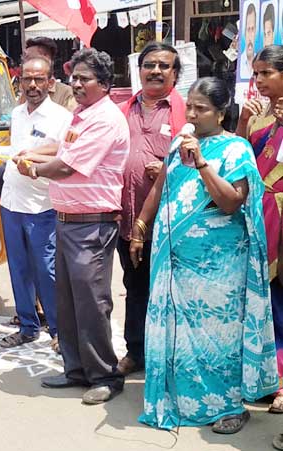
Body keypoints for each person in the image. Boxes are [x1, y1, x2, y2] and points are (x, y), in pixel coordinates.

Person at [130, 77, 278, 433]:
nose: (193, 115)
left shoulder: (236, 149)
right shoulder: (177, 146)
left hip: (221, 266)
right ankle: (184, 398)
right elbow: (160, 188)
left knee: (218, 335)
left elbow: (231, 202)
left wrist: (200, 162)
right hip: (178, 262)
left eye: (202, 108)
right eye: (190, 107)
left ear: (222, 112)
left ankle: (228, 405)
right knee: (183, 332)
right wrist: (140, 225)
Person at [17, 48, 129, 405]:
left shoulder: (105, 119)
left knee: (92, 303)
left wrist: (33, 168)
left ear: (105, 84)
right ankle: (76, 369)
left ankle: (105, 376)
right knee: (67, 301)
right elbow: (61, 148)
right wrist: (32, 153)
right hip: (67, 220)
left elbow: (68, 166)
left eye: (85, 79)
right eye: (74, 78)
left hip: (91, 224)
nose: (76, 84)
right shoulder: (82, 114)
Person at [0, 56, 72, 350]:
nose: (32, 85)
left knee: (46, 269)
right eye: (27, 78)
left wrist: (35, 159)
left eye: (39, 79)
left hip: (41, 205)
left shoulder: (60, 118)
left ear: (50, 83)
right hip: (12, 201)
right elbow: (16, 152)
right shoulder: (17, 114)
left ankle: (58, 331)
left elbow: (63, 157)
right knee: (18, 269)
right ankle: (28, 326)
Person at [114, 42, 187, 376]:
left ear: (175, 73)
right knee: (135, 288)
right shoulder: (122, 110)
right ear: (139, 70)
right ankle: (135, 352)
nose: (156, 71)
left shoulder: (186, 112)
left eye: (164, 66)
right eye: (149, 65)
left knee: (171, 290)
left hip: (169, 222)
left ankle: (169, 355)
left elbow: (201, 162)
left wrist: (169, 171)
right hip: (126, 219)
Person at [238, 45, 283, 416]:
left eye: (267, 72)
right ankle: (269, 376)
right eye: (256, 74)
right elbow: (241, 162)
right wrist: (240, 123)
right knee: (264, 300)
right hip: (261, 211)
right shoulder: (257, 116)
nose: (260, 80)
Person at [21, 37, 77, 111]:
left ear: (45, 58)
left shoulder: (66, 94)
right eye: (24, 58)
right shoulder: (26, 91)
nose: (24, 62)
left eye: (28, 58)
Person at [241, 3, 258, 80]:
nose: (250, 36)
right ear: (244, 33)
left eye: (253, 30)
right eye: (248, 29)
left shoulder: (260, 61)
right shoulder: (240, 62)